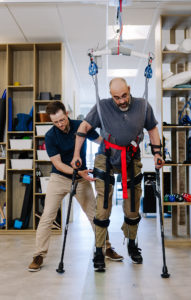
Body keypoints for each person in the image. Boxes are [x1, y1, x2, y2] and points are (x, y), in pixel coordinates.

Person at [71, 77, 164, 271]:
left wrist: (157, 154)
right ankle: (99, 251)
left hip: (131, 159)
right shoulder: (102, 106)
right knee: (103, 208)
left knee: (132, 208)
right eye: (116, 97)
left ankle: (131, 245)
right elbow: (83, 127)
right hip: (105, 156)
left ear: (129, 89)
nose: (121, 100)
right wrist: (76, 155)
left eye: (124, 95)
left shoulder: (143, 106)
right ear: (110, 95)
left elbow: (153, 129)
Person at [28, 101, 123, 272]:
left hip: (81, 178)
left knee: (95, 215)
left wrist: (113, 144)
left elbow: (100, 140)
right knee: (47, 215)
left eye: (62, 120)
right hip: (59, 177)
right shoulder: (50, 136)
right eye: (56, 122)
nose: (60, 124)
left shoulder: (81, 126)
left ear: (67, 113)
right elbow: (57, 164)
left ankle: (106, 247)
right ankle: (39, 255)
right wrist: (76, 172)